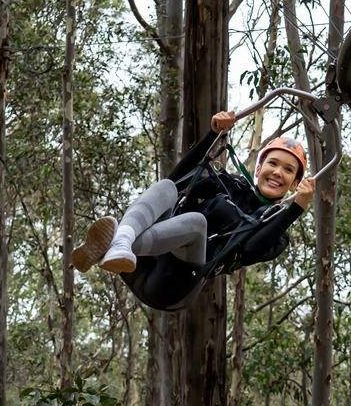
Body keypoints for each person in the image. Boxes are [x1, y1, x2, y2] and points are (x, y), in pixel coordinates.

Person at [72, 110, 315, 306]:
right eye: (272, 163)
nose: (277, 173)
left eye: (288, 170)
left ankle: (115, 242)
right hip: (140, 262)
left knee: (197, 222)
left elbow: (251, 249)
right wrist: (212, 134)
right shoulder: (231, 184)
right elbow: (179, 180)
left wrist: (295, 209)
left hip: (171, 285)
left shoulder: (278, 230)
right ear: (259, 169)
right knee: (167, 186)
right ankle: (122, 242)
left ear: (295, 184)